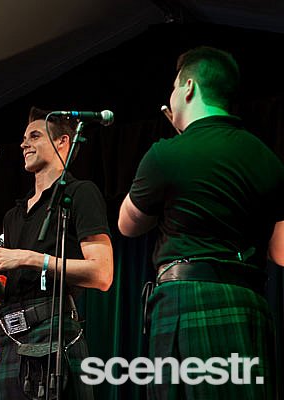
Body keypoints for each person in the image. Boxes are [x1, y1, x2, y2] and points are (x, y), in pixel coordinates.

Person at [118, 46, 284, 398]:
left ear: (189, 87)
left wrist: (176, 154)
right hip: (248, 305)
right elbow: (281, 251)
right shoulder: (268, 159)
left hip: (184, 300)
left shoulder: (166, 154)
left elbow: (127, 225)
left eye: (174, 87)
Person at [0, 107, 114, 400]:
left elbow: (102, 274)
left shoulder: (80, 193)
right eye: (24, 138)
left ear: (63, 142)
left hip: (53, 334)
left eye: (35, 136)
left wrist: (28, 258)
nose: (24, 144)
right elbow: (9, 296)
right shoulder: (13, 215)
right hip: (10, 340)